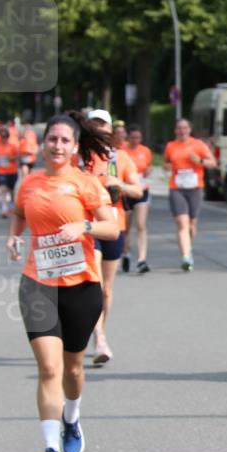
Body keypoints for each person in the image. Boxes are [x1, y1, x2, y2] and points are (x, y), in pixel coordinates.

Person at [5, 111, 121, 452]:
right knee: (49, 368)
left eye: (64, 140)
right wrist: (13, 236)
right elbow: (19, 212)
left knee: (72, 368)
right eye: (52, 139)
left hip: (81, 288)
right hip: (37, 285)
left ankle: (72, 418)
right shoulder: (29, 183)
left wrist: (83, 226)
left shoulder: (86, 183)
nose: (57, 145)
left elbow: (112, 228)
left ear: (74, 147)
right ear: (43, 144)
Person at [83, 109, 143, 365]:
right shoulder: (79, 156)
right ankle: (99, 339)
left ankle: (101, 332)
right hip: (89, 225)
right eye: (94, 124)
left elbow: (138, 190)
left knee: (107, 290)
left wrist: (120, 185)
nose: (99, 129)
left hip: (114, 225)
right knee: (95, 284)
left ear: (110, 129)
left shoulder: (120, 157)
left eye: (103, 124)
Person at [163, 118, 216, 271]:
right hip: (177, 188)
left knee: (192, 225)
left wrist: (199, 160)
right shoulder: (171, 146)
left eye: (185, 128)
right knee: (182, 223)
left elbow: (213, 163)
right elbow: (165, 164)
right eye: (179, 128)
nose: (182, 131)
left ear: (189, 130)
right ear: (175, 130)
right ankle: (186, 257)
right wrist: (169, 166)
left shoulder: (198, 144)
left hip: (195, 188)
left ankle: (188, 248)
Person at [121, 124, 153, 273]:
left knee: (141, 224)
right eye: (133, 138)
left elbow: (148, 166)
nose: (135, 140)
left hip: (142, 190)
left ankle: (142, 259)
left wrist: (148, 171)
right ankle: (126, 253)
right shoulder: (122, 151)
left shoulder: (145, 151)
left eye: (138, 138)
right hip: (126, 192)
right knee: (126, 228)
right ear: (128, 137)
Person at [0, 127, 21, 218]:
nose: (3, 138)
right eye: (2, 136)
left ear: (8, 137)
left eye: (5, 136)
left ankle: (11, 204)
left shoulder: (12, 146)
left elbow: (18, 157)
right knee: (3, 189)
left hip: (12, 171)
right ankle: (4, 208)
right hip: (1, 171)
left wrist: (11, 158)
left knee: (11, 190)